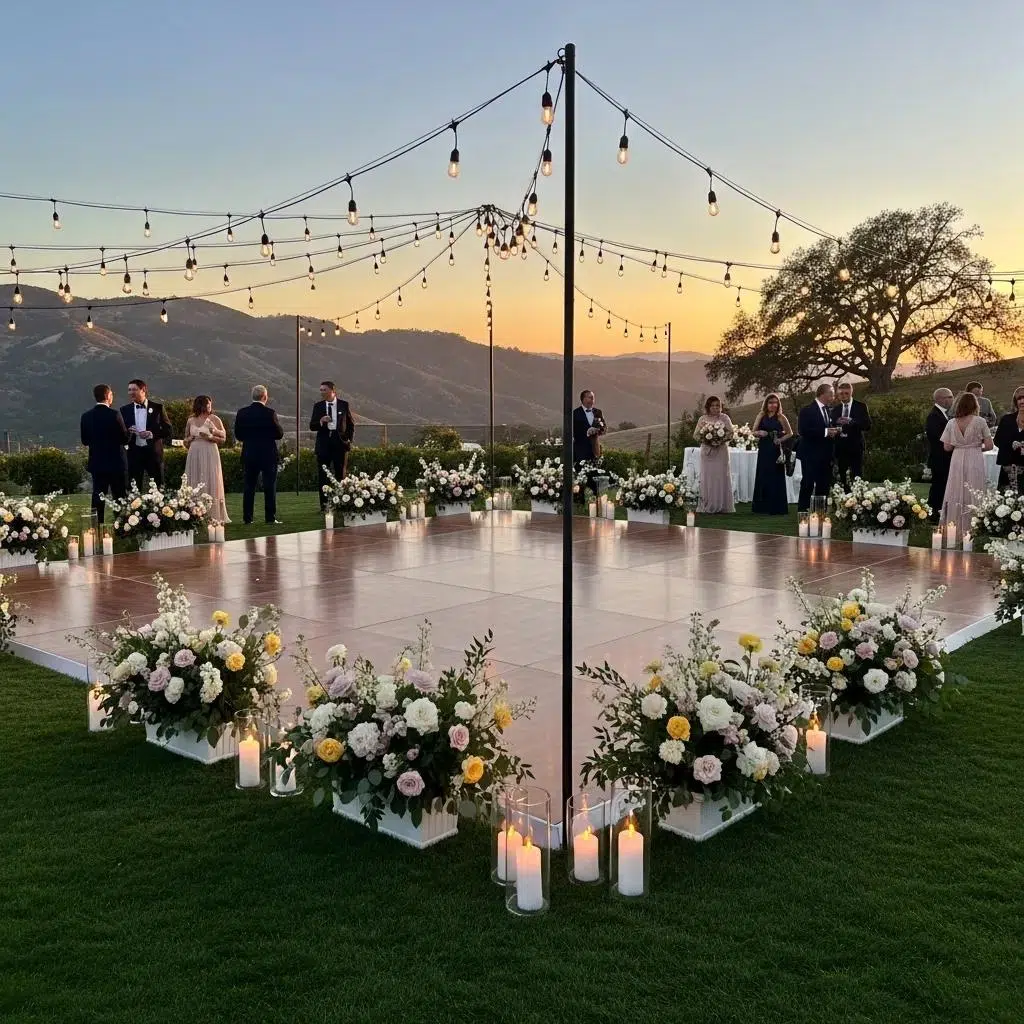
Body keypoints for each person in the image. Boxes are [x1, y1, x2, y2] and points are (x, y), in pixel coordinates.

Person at [941, 392, 994, 534]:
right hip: (974, 457)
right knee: (975, 489)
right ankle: (975, 526)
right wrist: (977, 448)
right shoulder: (980, 421)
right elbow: (989, 445)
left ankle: (954, 527)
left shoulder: (951, 423)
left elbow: (947, 447)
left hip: (957, 458)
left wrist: (960, 445)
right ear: (974, 405)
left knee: (955, 490)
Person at [234, 385, 284, 525]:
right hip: (268, 454)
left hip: (249, 453)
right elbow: (279, 434)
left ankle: (247, 518)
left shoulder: (242, 413)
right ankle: (270, 518)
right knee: (269, 486)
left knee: (249, 486)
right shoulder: (270, 413)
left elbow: (238, 435)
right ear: (265, 397)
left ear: (252, 396)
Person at [80, 384, 129, 524]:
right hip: (116, 463)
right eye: (112, 394)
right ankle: (121, 525)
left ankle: (95, 525)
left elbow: (85, 441)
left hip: (97, 463)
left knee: (97, 496)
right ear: (108, 396)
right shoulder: (115, 414)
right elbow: (124, 438)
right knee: (119, 495)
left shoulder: (86, 416)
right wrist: (130, 432)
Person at [119, 378, 172, 490]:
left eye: (134, 389)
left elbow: (168, 430)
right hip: (134, 454)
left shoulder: (158, 408)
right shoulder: (124, 410)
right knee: (133, 488)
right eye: (129, 390)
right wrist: (128, 432)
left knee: (158, 486)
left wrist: (151, 434)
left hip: (153, 454)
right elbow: (121, 433)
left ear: (143, 390)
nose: (131, 392)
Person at [184, 395, 230, 523]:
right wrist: (189, 440)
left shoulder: (215, 419)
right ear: (200, 405)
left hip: (210, 450)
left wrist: (210, 436)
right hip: (194, 452)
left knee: (211, 478)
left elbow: (223, 439)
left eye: (210, 404)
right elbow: (185, 440)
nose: (209, 407)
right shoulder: (191, 420)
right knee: (195, 477)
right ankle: (193, 512)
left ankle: (213, 512)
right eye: (207, 404)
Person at [309, 381, 355, 510]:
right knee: (323, 475)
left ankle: (342, 504)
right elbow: (312, 426)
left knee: (341, 474)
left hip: (339, 443)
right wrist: (321, 421)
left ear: (332, 391)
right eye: (321, 390)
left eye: (324, 390)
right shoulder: (318, 406)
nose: (321, 392)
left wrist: (348, 440)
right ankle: (325, 505)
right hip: (323, 444)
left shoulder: (343, 405)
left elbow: (351, 425)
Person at [796, 382, 840, 512]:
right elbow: (803, 431)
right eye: (831, 394)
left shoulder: (830, 411)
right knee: (808, 483)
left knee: (824, 485)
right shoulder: (807, 410)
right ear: (823, 394)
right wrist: (826, 432)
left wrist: (835, 431)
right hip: (810, 454)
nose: (833, 397)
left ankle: (821, 512)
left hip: (826, 456)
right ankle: (803, 512)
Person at [751, 393, 793, 515]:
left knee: (775, 476)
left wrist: (780, 439)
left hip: (776, 449)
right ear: (766, 404)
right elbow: (753, 431)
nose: (773, 405)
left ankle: (776, 506)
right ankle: (761, 507)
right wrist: (760, 433)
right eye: (771, 402)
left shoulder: (781, 417)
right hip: (764, 448)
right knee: (763, 474)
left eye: (775, 402)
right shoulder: (761, 415)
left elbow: (790, 433)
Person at [696, 395, 734, 514]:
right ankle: (707, 504)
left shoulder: (725, 418)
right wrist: (708, 440)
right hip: (707, 453)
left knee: (721, 477)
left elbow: (731, 434)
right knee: (708, 478)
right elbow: (696, 435)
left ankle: (722, 505)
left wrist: (719, 440)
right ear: (708, 406)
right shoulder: (702, 419)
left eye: (717, 405)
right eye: (713, 405)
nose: (715, 408)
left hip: (721, 452)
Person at [830, 381, 872, 489]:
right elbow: (831, 426)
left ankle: (857, 500)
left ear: (851, 393)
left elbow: (867, 425)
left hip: (855, 446)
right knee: (842, 475)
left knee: (857, 475)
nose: (843, 396)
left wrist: (851, 421)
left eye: (846, 393)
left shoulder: (861, 406)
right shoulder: (835, 409)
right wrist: (836, 424)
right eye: (841, 393)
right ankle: (845, 500)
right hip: (840, 447)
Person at [925, 388, 954, 523]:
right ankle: (933, 514)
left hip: (945, 458)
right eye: (949, 397)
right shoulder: (934, 416)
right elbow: (938, 438)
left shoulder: (944, 414)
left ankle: (939, 512)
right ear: (940, 399)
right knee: (938, 487)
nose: (952, 399)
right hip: (940, 459)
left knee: (942, 486)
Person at [993, 386, 1024, 492]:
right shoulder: (1006, 419)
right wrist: (1010, 444)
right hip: (1008, 467)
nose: (1022, 401)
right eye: (1019, 398)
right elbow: (997, 441)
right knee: (1005, 503)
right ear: (1015, 401)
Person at [572, 390, 606, 466]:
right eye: (590, 398)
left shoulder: (598, 412)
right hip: (580, 450)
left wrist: (598, 430)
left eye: (593, 398)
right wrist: (586, 432)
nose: (592, 400)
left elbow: (604, 428)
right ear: (583, 399)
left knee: (595, 474)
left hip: (595, 450)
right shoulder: (575, 413)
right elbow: (572, 431)